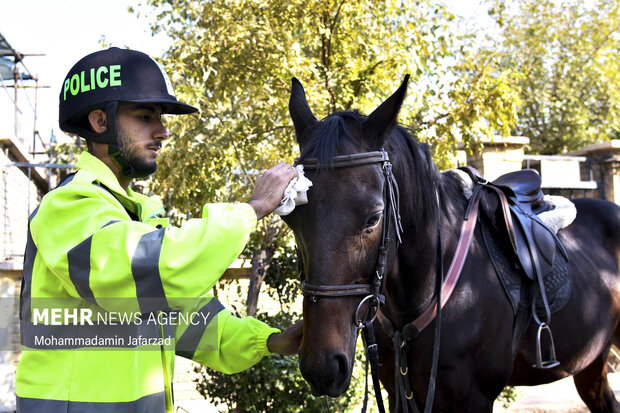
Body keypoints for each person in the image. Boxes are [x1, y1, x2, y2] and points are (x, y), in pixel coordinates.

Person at [15, 47, 302, 412]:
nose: (163, 131)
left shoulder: (137, 216)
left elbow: (188, 320)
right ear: (100, 122)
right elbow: (152, 268)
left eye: (161, 117)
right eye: (145, 116)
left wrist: (270, 341)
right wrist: (253, 209)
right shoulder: (67, 208)